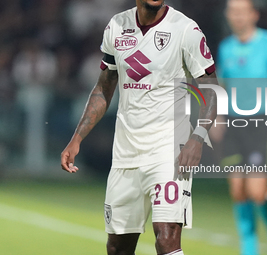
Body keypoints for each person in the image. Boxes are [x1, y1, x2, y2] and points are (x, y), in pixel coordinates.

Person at [61, 1, 218, 254]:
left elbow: (211, 88)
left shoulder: (185, 29)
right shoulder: (116, 26)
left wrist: (198, 136)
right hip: (126, 153)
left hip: (169, 151)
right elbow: (104, 87)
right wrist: (77, 138)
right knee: (117, 247)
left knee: (167, 237)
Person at [212, 0, 267, 254]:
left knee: (257, 192)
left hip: (262, 123)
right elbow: (222, 86)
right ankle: (249, 249)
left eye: (241, 12)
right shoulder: (226, 48)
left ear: (253, 14)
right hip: (235, 126)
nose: (237, 17)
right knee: (238, 190)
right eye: (232, 12)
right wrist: (217, 117)